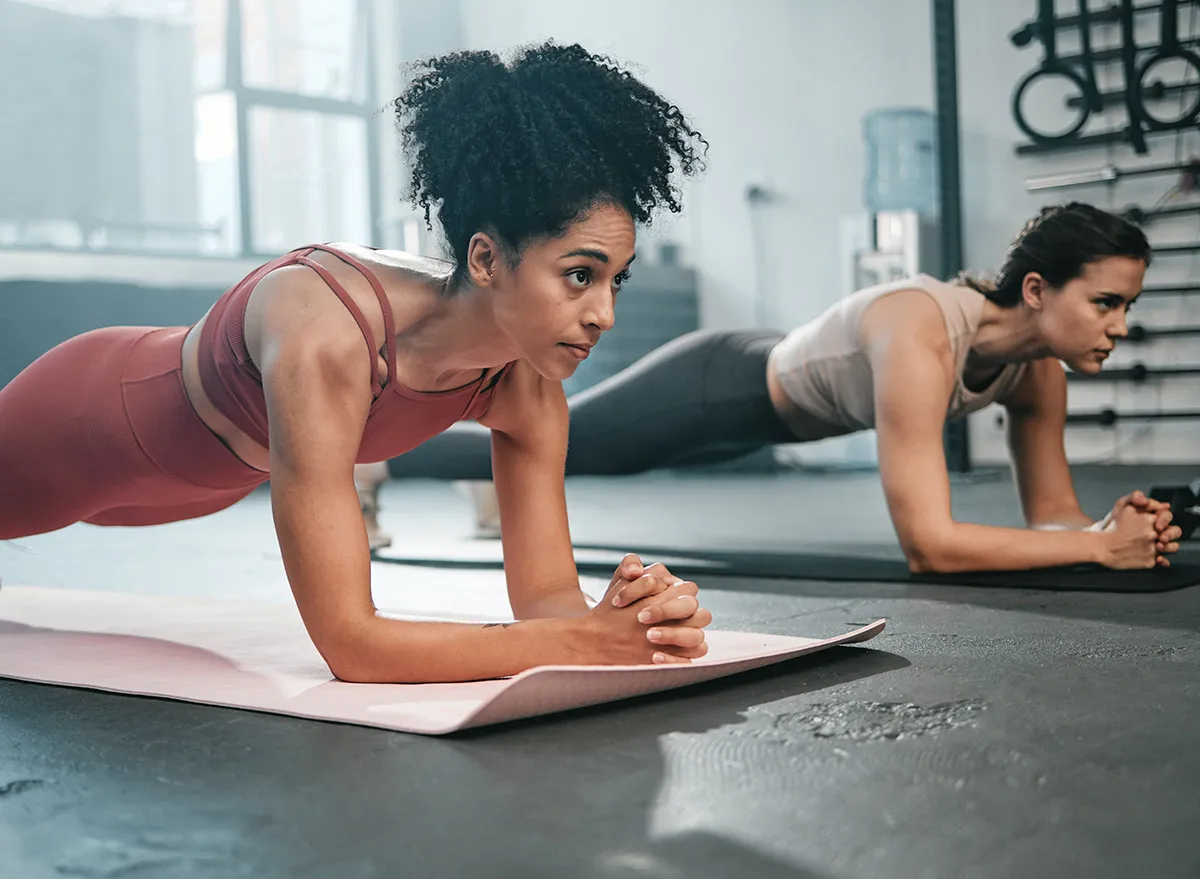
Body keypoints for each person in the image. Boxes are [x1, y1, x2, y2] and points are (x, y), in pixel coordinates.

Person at [0, 43, 715, 682]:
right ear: (487, 258)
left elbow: (547, 602)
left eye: (616, 279)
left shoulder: (527, 391)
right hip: (91, 423)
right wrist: (582, 642)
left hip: (208, 482)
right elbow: (353, 645)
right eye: (579, 274)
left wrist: (626, 619)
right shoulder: (330, 332)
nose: (604, 313)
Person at [370, 202, 1184, 573]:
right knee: (568, 445)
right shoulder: (923, 330)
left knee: (572, 453)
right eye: (1105, 302)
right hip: (719, 381)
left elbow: (1053, 518)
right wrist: (1092, 546)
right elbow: (931, 547)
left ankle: (470, 473)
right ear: (1038, 290)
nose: (1119, 325)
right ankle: (375, 462)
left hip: (775, 403)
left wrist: (1109, 527)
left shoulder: (1035, 372)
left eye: (1128, 306)